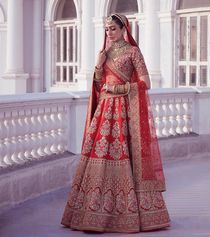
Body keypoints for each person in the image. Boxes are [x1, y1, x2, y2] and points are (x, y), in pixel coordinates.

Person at [61, 13, 170, 233]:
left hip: (123, 114)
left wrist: (119, 89)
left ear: (123, 29)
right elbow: (99, 84)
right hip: (103, 113)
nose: (109, 33)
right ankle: (93, 213)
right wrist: (98, 66)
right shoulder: (104, 53)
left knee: (124, 157)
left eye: (112, 28)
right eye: (106, 29)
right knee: (98, 157)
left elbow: (145, 82)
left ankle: (128, 215)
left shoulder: (133, 52)